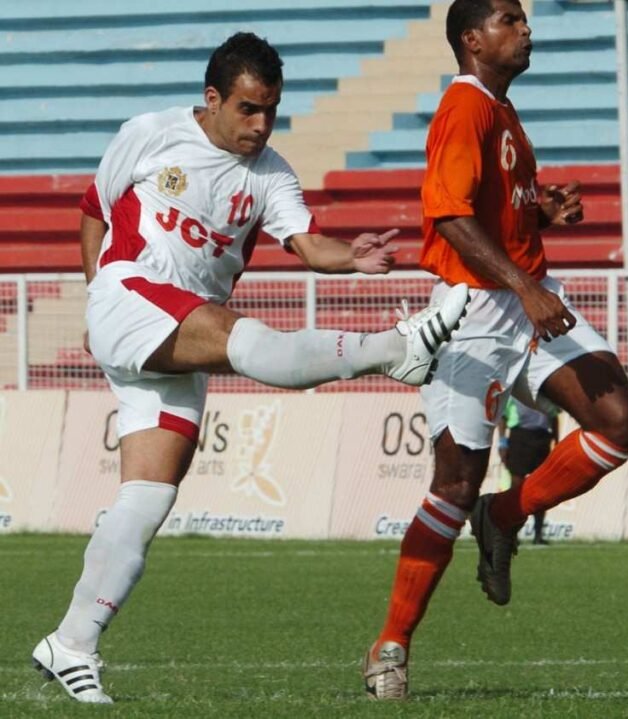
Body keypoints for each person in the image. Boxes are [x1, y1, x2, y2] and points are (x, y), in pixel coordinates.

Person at [31, 32, 468, 705]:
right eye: (247, 109)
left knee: (149, 496)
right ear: (212, 99)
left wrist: (353, 256)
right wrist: (97, 294)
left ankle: (72, 641)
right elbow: (94, 208)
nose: (260, 125)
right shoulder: (150, 134)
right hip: (130, 293)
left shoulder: (270, 173)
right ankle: (392, 350)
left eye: (271, 111)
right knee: (246, 339)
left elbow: (305, 242)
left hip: (180, 328)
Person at [362, 0, 628, 700]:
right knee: (454, 485)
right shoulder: (465, 108)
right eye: (510, 19)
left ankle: (506, 515)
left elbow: (488, 208)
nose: (526, 27)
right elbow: (450, 218)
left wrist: (540, 211)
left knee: (619, 421)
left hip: (526, 297)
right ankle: (390, 646)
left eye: (524, 18)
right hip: (476, 314)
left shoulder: (501, 109)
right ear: (472, 39)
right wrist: (524, 285)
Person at [497, 396, 560, 545]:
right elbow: (503, 417)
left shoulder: (549, 389)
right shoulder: (515, 391)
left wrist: (557, 442)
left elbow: (554, 416)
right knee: (517, 487)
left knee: (542, 488)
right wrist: (502, 442)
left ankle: (538, 534)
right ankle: (512, 534)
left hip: (543, 438)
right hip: (520, 436)